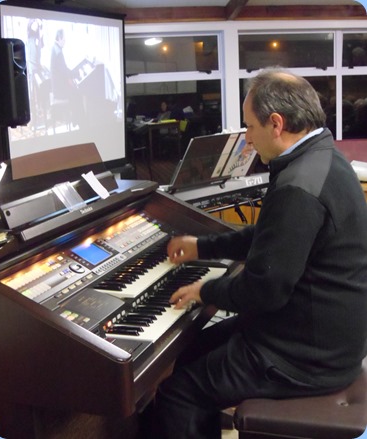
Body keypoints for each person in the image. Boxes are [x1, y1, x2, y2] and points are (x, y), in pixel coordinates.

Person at [149, 68, 367, 439]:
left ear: (277, 124)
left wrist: (205, 291)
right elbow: (269, 237)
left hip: (306, 356)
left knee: (177, 394)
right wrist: (202, 246)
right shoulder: (323, 157)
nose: (247, 139)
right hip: (320, 335)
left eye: (250, 127)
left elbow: (264, 290)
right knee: (191, 352)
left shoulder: (299, 187)